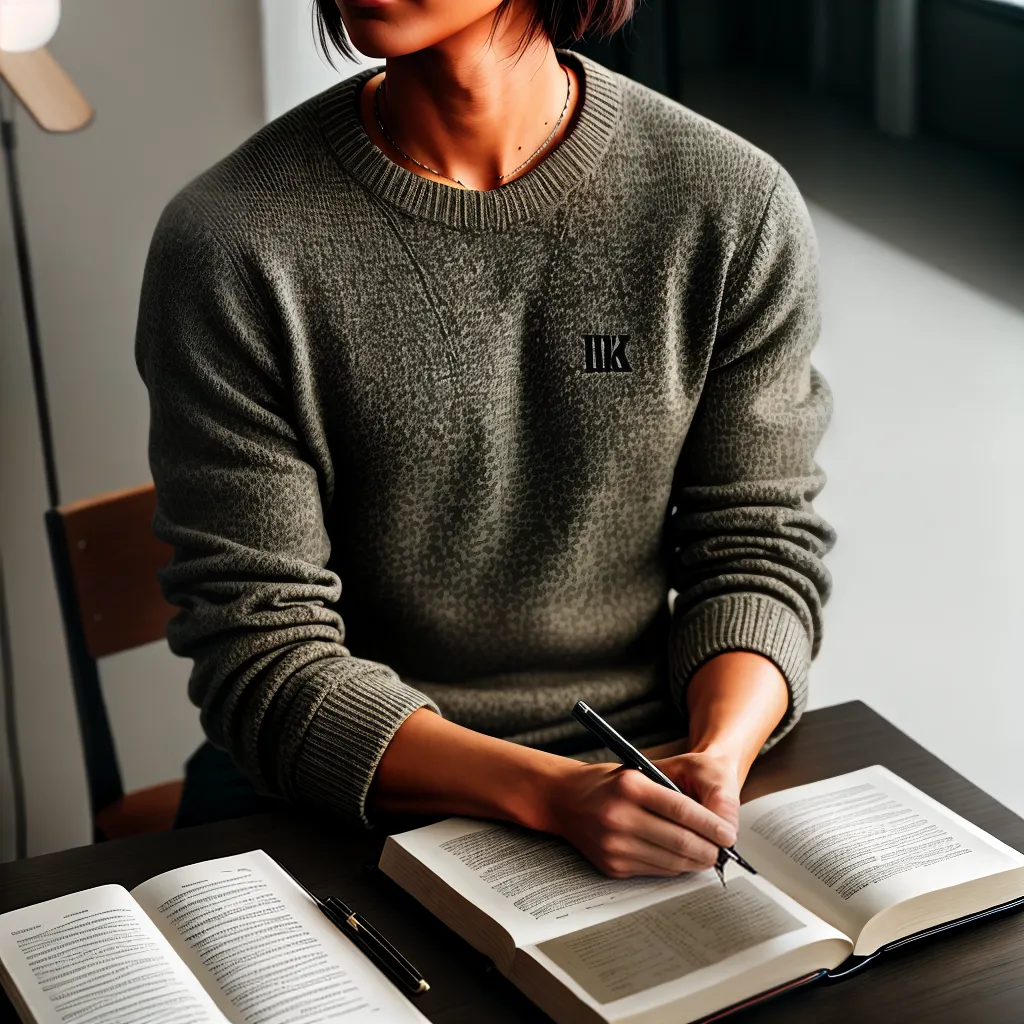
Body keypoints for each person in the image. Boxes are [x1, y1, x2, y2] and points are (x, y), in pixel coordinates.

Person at [135, 0, 836, 881]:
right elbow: (262, 651)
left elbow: (757, 545)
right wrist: (551, 796)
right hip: (339, 780)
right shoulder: (234, 242)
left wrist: (719, 759)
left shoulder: (731, 204)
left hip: (646, 758)